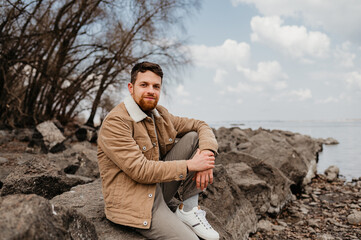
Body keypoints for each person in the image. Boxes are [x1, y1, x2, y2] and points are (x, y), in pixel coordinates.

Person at [97, 61, 219, 240]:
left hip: (158, 187)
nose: (151, 91)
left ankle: (189, 209)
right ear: (131, 88)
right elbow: (140, 170)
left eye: (156, 86)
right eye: (144, 85)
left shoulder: (160, 114)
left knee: (194, 137)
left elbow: (200, 125)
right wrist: (191, 165)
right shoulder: (116, 122)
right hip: (135, 203)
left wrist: (207, 156)